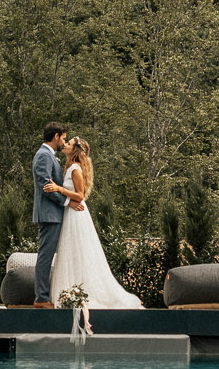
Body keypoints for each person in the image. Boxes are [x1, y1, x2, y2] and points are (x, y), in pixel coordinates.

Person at [42, 137, 144, 310]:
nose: (65, 145)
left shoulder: (75, 168)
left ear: (74, 150)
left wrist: (58, 189)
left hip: (76, 214)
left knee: (78, 249)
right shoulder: (70, 167)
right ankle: (71, 290)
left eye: (69, 143)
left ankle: (80, 291)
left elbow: (80, 195)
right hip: (70, 212)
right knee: (70, 250)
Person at [30, 121, 78, 308]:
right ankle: (41, 298)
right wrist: (67, 202)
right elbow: (46, 187)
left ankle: (47, 295)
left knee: (49, 255)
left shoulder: (49, 156)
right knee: (45, 255)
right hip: (49, 214)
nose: (64, 142)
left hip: (54, 213)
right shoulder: (43, 156)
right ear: (56, 136)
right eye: (64, 138)